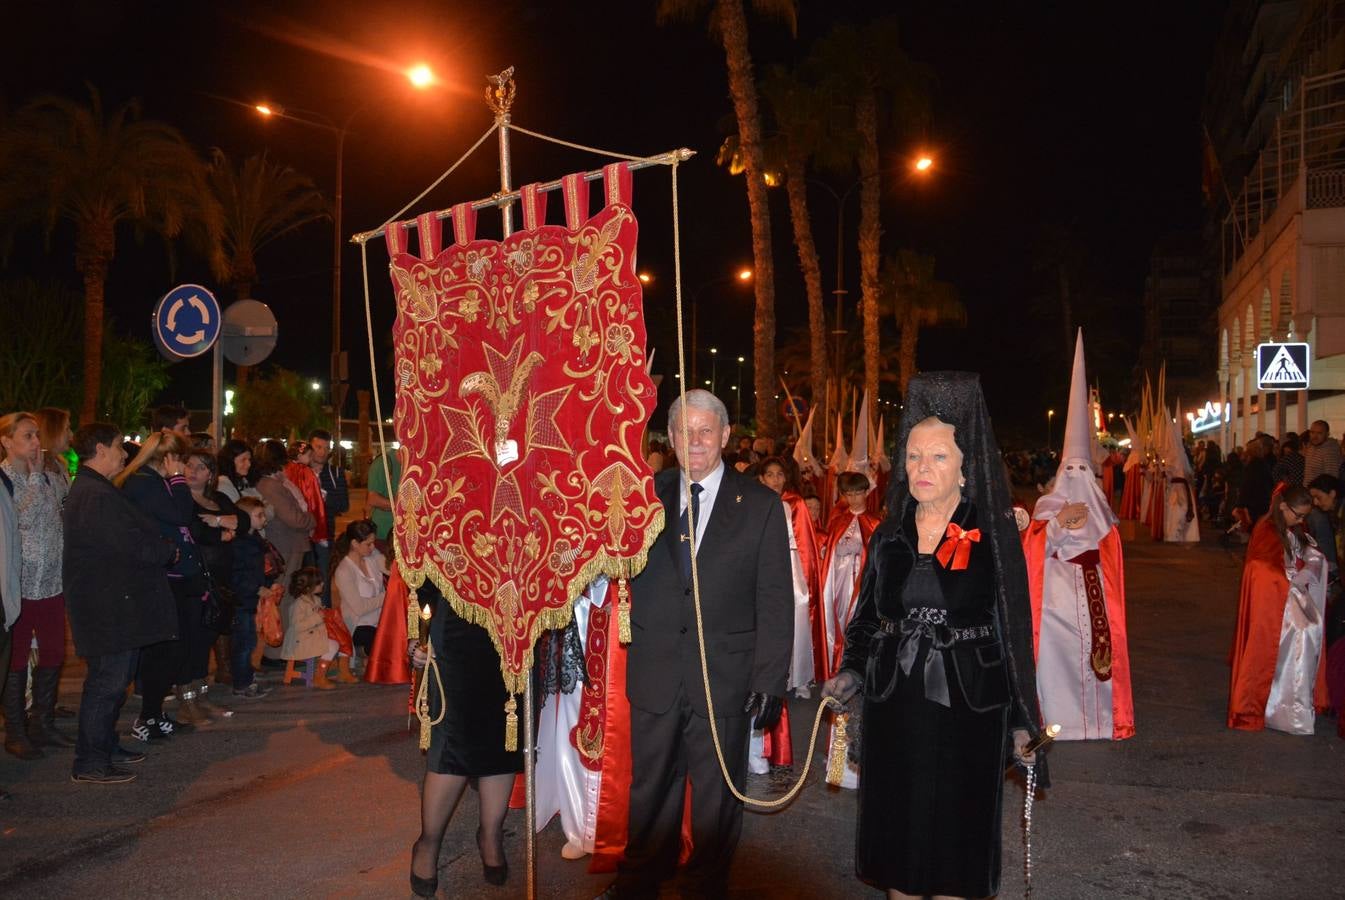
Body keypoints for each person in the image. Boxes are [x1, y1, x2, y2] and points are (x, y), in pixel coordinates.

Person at [821, 371, 1045, 899]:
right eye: (914, 456)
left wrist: (1021, 720)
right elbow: (866, 621)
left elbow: (1014, 633)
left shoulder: (993, 537)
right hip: (894, 703)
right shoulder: (888, 536)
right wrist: (852, 671)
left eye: (939, 456)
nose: (923, 468)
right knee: (898, 835)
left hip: (970, 709)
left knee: (956, 841)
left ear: (967, 468)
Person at [599, 389, 792, 899]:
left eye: (707, 431)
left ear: (726, 436)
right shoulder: (641, 495)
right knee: (650, 789)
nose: (696, 442)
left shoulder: (761, 506)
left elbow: (775, 600)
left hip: (724, 678)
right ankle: (641, 878)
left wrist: (770, 681)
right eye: (685, 432)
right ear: (672, 437)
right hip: (656, 670)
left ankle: (705, 885)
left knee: (716, 797)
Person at [1021, 332, 1134, 742]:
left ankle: (1100, 720)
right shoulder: (1048, 507)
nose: (1077, 478)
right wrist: (1056, 525)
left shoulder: (1103, 513)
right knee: (1059, 658)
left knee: (1095, 653)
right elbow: (1033, 548)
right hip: (1055, 598)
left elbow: (1111, 554)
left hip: (1093, 593)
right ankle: (1060, 721)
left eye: (1083, 471)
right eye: (1071, 471)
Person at [66, 423, 174, 783]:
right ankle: (90, 760)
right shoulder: (94, 494)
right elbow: (126, 545)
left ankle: (104, 747)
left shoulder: (97, 489)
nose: (124, 454)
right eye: (117, 447)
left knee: (112, 681)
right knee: (107, 683)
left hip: (114, 603)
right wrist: (166, 551)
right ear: (99, 449)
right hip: (107, 606)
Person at [409, 577, 522, 896]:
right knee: (452, 745)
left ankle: (490, 834)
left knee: (502, 741)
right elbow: (422, 573)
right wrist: (418, 634)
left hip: (513, 629)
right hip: (457, 632)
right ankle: (428, 844)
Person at [117, 431, 213, 734]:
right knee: (165, 650)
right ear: (169, 458)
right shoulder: (144, 482)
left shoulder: (155, 482)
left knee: (175, 648)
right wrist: (175, 478)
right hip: (161, 576)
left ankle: (154, 713)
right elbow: (181, 514)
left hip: (177, 573)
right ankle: (148, 716)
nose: (185, 469)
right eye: (181, 461)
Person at [0, 412, 74, 758]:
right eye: (27, 436)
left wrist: (51, 480)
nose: (35, 443)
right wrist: (31, 481)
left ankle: (41, 724)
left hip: (52, 580)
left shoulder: (48, 476)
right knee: (15, 659)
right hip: (20, 582)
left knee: (54, 652)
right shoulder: (7, 479)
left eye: (35, 435)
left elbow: (63, 513)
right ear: (7, 441)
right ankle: (15, 731)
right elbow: (18, 521)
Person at [1228, 485, 1330, 734]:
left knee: (1311, 628)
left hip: (1290, 594)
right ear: (1283, 506)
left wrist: (1310, 562)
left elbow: (1300, 550)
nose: (1301, 520)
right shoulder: (1267, 529)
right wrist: (1287, 582)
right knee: (1302, 634)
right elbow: (1259, 567)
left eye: (1304, 516)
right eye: (1298, 515)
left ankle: (1296, 704)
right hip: (1278, 599)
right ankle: (1285, 708)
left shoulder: (1291, 526)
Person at [185, 449, 247, 695]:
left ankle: (215, 675)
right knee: (197, 634)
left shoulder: (219, 499)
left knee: (219, 624)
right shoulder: (181, 497)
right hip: (196, 576)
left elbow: (243, 521)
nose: (193, 471)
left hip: (222, 574)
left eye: (200, 467)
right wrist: (220, 532)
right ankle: (191, 689)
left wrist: (220, 521)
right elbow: (194, 531)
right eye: (189, 465)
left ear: (210, 474)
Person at [228, 497, 274, 699]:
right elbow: (236, 575)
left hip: (249, 599)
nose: (264, 519)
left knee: (249, 640)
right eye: (259, 515)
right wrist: (256, 588)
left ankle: (247, 676)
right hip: (241, 600)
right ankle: (241, 683)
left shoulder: (254, 539)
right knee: (243, 643)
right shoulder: (238, 543)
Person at [252, 440, 315, 585]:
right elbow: (294, 519)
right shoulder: (272, 486)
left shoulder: (270, 483)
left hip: (286, 543)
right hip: (286, 545)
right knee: (285, 590)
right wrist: (311, 519)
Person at [330, 519, 386, 673]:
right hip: (359, 624)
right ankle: (363, 654)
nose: (373, 547)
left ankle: (373, 659)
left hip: (380, 619)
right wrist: (386, 597)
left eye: (373, 542)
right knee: (381, 641)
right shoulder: (344, 571)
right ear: (354, 544)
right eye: (368, 544)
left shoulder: (372, 556)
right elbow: (360, 608)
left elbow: (390, 568)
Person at [279, 566, 337, 689]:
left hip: (312, 636)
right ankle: (319, 676)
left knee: (335, 642)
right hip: (301, 641)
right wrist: (318, 616)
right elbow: (297, 626)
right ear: (308, 587)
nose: (322, 584)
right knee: (332, 645)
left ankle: (322, 669)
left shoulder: (316, 599)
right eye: (318, 583)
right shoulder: (298, 604)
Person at [309, 429, 349, 585]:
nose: (322, 452)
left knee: (323, 582)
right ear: (309, 447)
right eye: (318, 447)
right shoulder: (300, 472)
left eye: (326, 448)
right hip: (302, 538)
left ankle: (324, 609)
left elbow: (343, 505)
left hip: (326, 536)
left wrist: (324, 497)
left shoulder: (335, 473)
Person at [367, 446, 402, 547]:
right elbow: (373, 499)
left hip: (404, 531)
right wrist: (401, 506)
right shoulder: (383, 463)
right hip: (384, 532)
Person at [1302, 420, 1342, 485]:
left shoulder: (1330, 451)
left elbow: (1331, 479)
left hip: (1320, 493)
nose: (1315, 436)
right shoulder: (1311, 447)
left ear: (1327, 434)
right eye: (1312, 432)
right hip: (1308, 492)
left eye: (1319, 433)